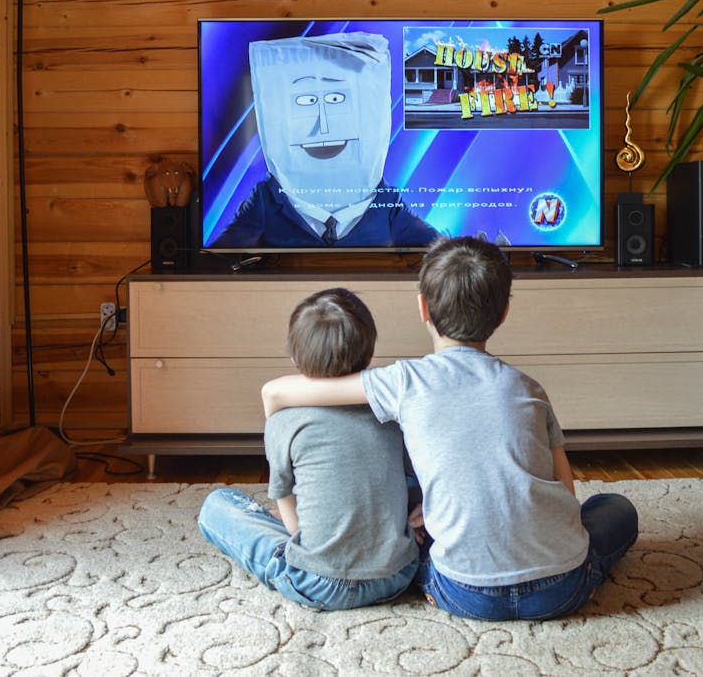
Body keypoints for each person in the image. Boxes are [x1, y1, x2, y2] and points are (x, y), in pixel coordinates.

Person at [261, 235, 638, 620]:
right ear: (504, 312)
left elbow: (299, 390)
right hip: (560, 588)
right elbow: (566, 492)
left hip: (464, 592)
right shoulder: (530, 388)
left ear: (422, 308)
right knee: (616, 508)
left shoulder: (405, 381)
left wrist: (272, 399)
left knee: (401, 499)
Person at [197, 287, 419, 610]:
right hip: (397, 575)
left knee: (217, 505)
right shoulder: (389, 412)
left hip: (319, 583)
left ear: (294, 357)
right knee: (402, 481)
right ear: (369, 353)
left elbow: (290, 520)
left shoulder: (283, 421)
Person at [209, 32, 438, 249]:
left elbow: (448, 255)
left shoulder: (386, 203)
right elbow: (217, 259)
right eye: (306, 101)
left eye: (337, 99)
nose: (324, 126)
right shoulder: (265, 200)